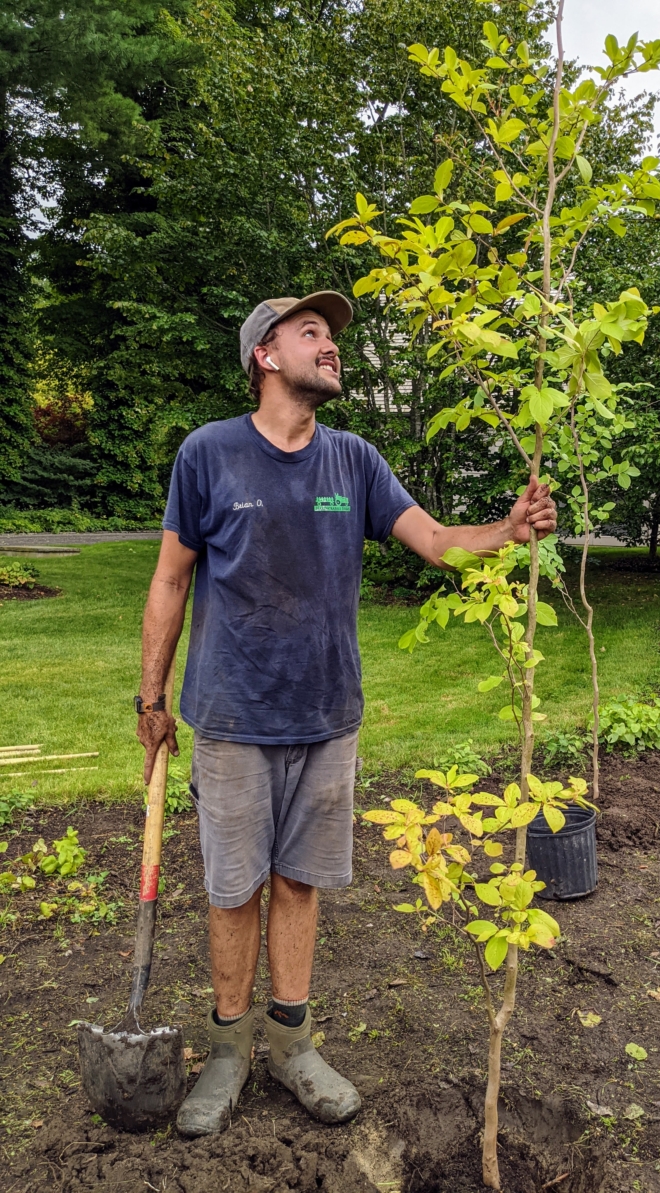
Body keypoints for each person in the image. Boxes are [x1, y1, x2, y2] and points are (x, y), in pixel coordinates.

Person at [135, 290, 557, 1137]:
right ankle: (228, 1052)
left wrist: (506, 530)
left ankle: (291, 1044)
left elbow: (435, 541)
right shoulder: (209, 454)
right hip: (231, 714)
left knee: (299, 881)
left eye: (330, 335)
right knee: (232, 887)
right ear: (266, 355)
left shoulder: (354, 460)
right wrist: (152, 697)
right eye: (312, 333)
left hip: (329, 715)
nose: (331, 347)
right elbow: (170, 578)